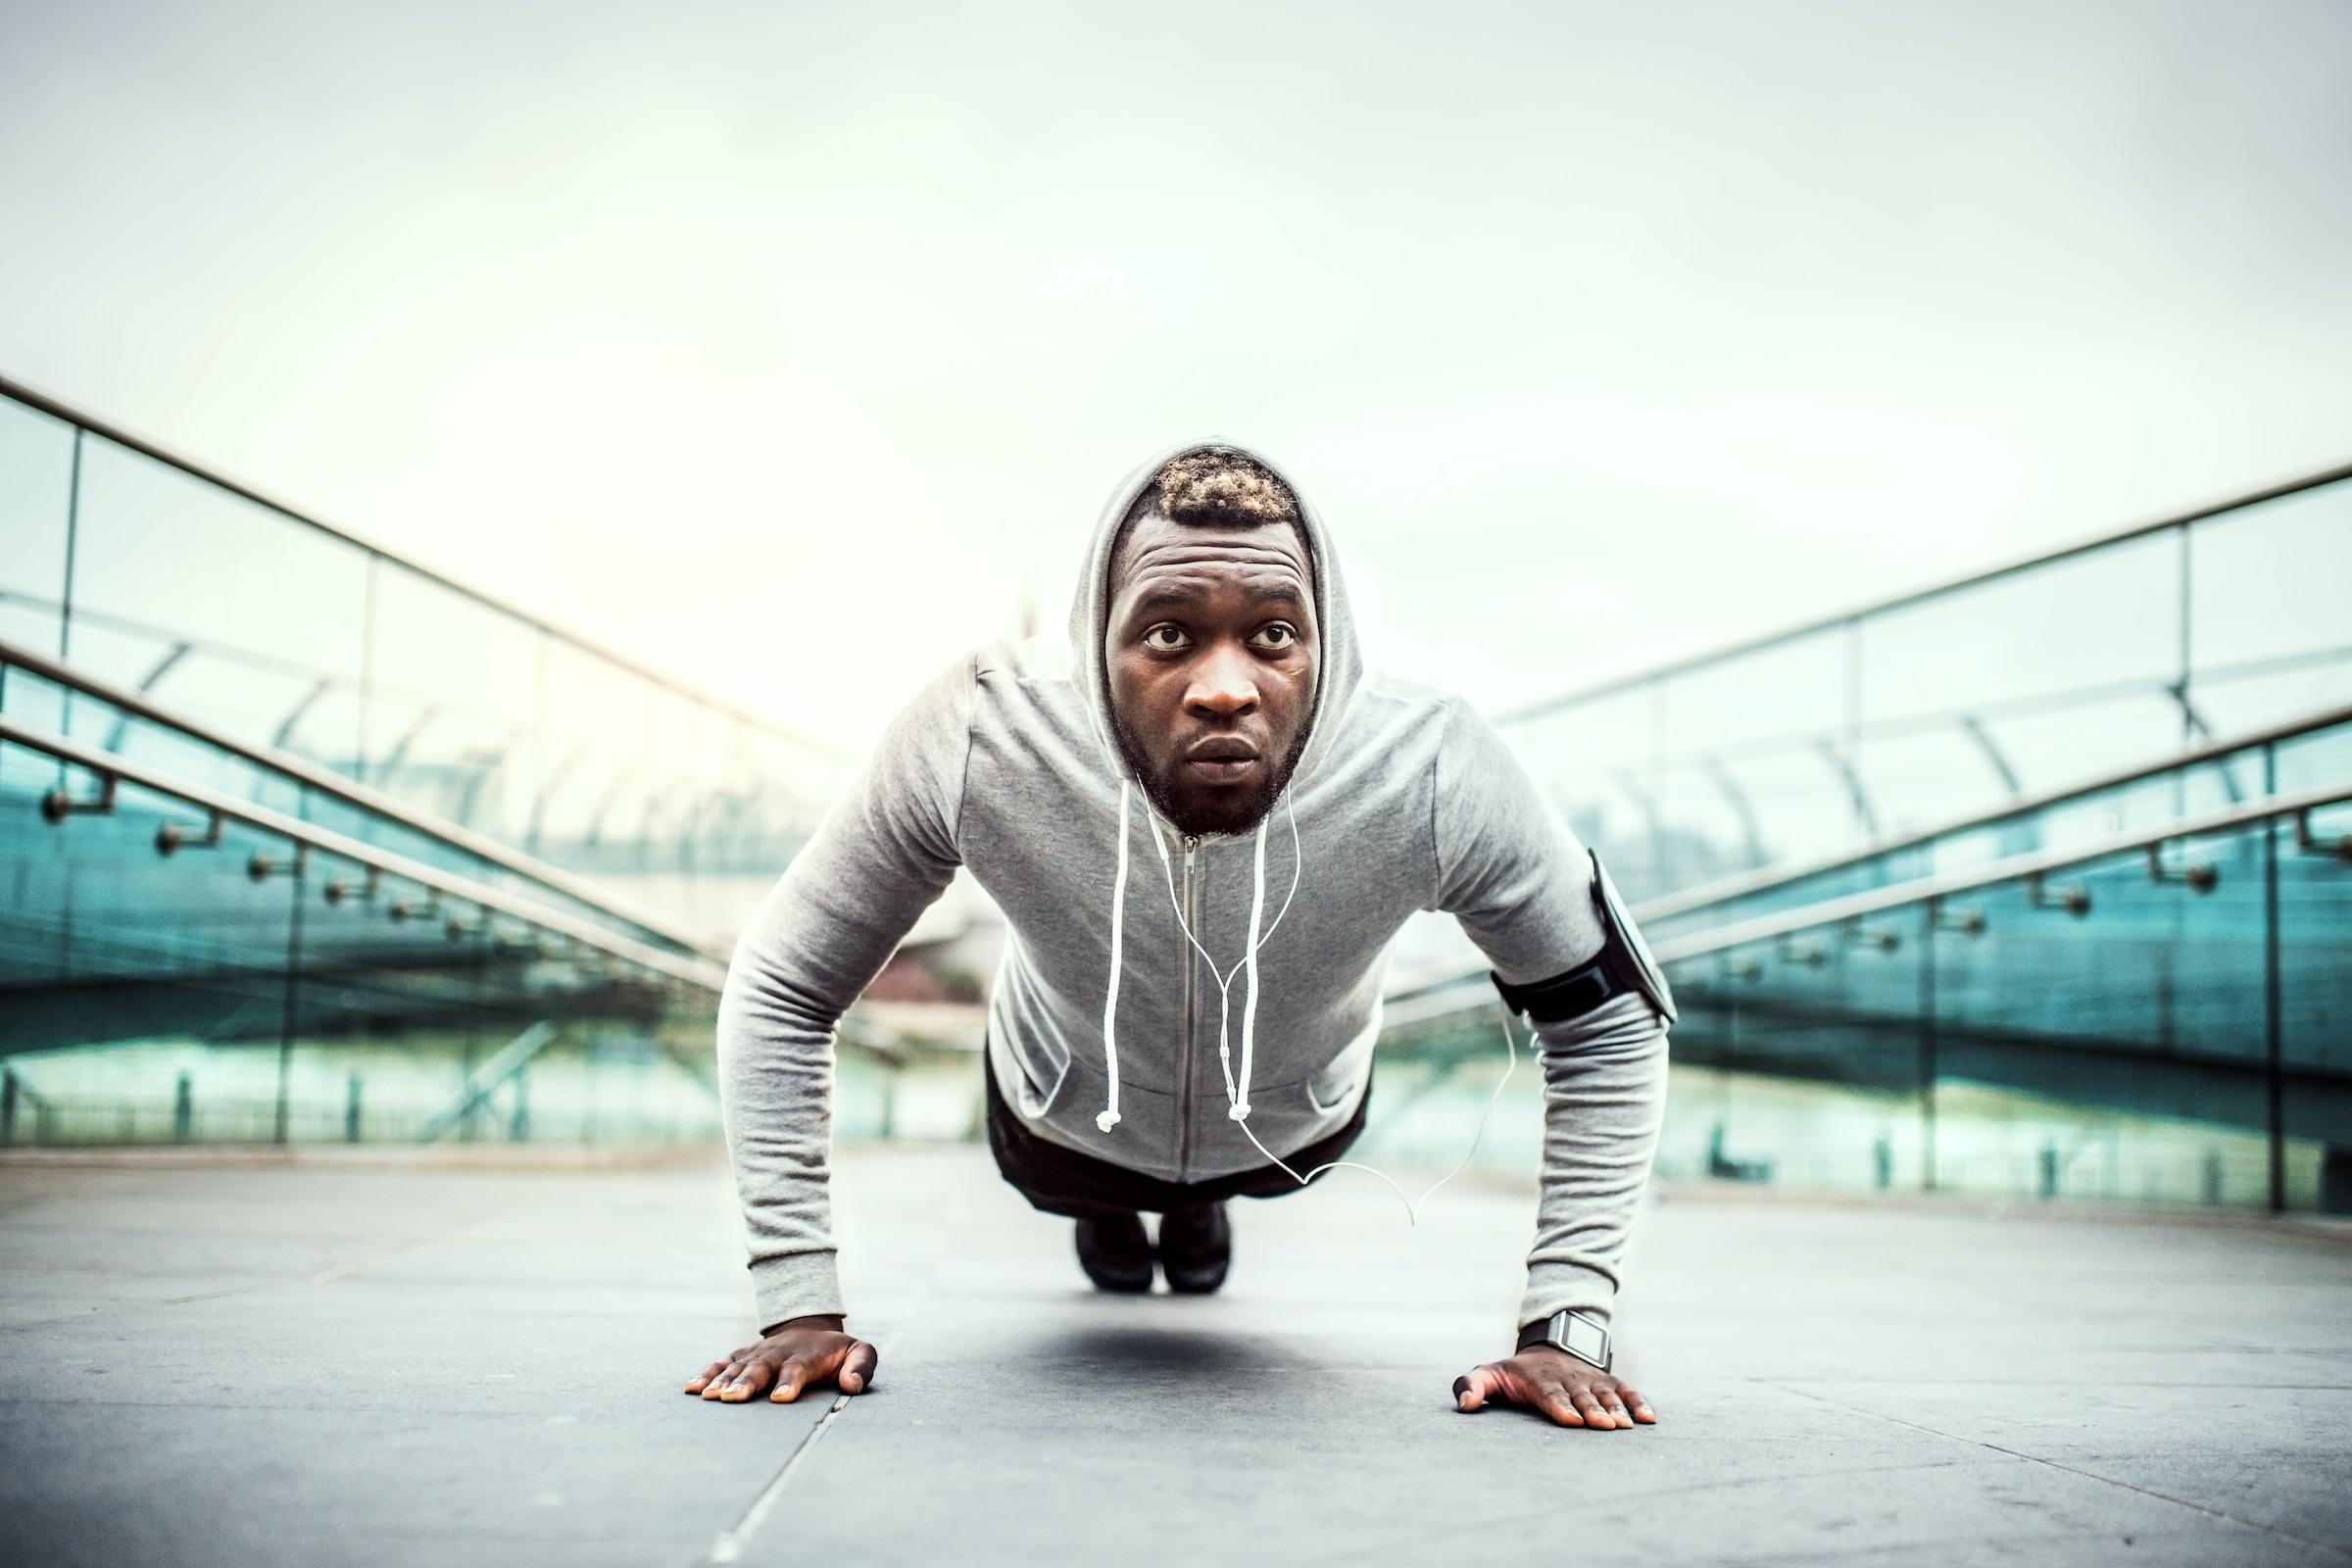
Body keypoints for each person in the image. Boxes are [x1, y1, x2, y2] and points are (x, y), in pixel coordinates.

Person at [685, 443, 1672, 1431]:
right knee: (1075, 1187)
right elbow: (783, 985)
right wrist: (795, 1305)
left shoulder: (1433, 771)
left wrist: (1566, 1324)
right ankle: (1118, 1207)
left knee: (1228, 1175)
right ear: (1095, 642)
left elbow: (1611, 1026)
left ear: (1327, 643)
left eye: (1275, 634)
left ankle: (1198, 1200)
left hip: (1293, 1133)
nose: (1224, 687)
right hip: (1060, 1124)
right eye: (1168, 634)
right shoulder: (981, 736)